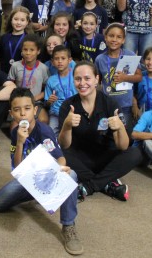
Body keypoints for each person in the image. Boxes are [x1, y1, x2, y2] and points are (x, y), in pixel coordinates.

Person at [0, 88, 83, 256]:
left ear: (35, 110)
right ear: (11, 113)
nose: (22, 114)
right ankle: (35, 195)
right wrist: (19, 142)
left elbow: (60, 158)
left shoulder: (44, 131)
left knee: (72, 176)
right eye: (17, 110)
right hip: (27, 178)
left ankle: (68, 225)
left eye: (27, 108)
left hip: (47, 177)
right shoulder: (15, 132)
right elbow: (17, 168)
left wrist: (61, 169)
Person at [58, 61, 143, 202]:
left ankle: (89, 186)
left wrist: (120, 127)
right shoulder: (68, 105)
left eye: (87, 78)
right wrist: (67, 125)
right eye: (78, 79)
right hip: (80, 158)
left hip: (106, 157)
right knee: (55, 153)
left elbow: (123, 146)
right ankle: (107, 184)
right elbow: (64, 145)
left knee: (135, 153)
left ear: (97, 79)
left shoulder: (110, 104)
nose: (82, 83)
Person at [94, 23, 142, 133]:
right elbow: (97, 80)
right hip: (106, 106)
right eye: (111, 36)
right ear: (105, 38)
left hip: (124, 105)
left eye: (119, 37)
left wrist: (125, 77)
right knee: (102, 133)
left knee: (123, 133)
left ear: (124, 40)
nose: (114, 39)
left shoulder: (130, 55)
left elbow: (139, 77)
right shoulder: (100, 59)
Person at [8, 34, 50, 123]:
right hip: (18, 102)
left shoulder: (43, 68)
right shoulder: (15, 66)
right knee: (14, 127)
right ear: (21, 51)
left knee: (44, 120)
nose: (28, 53)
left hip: (36, 102)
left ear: (38, 51)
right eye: (25, 50)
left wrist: (35, 98)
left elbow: (47, 89)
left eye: (32, 50)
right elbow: (9, 86)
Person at [44, 45, 75, 133]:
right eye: (56, 59)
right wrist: (49, 101)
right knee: (51, 133)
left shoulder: (75, 76)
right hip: (56, 114)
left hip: (73, 112)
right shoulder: (51, 80)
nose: (60, 61)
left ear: (69, 60)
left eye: (63, 58)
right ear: (52, 62)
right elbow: (47, 103)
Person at [0, 6, 31, 75]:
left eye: (22, 20)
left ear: (27, 22)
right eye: (16, 19)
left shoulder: (29, 39)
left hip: (22, 75)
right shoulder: (4, 38)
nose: (18, 23)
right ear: (11, 20)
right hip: (4, 74)